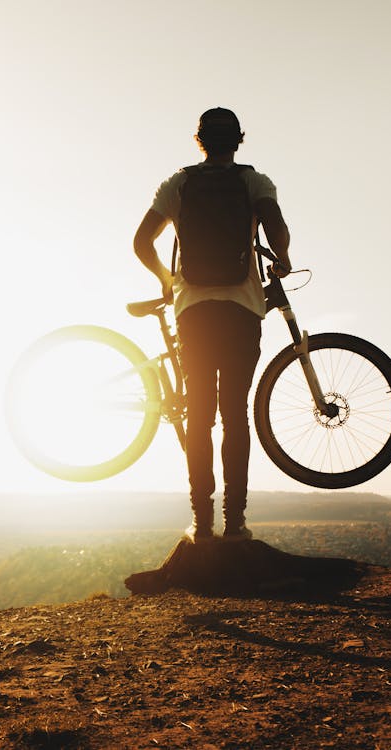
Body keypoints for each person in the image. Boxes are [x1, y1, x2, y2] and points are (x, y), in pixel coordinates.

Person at [133, 108, 291, 543]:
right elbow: (275, 226)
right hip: (242, 309)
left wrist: (169, 282)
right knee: (234, 415)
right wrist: (284, 258)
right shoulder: (254, 181)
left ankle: (202, 524)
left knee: (200, 415)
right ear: (239, 140)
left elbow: (141, 242)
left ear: (198, 140)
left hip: (193, 311)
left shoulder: (178, 184)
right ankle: (235, 522)